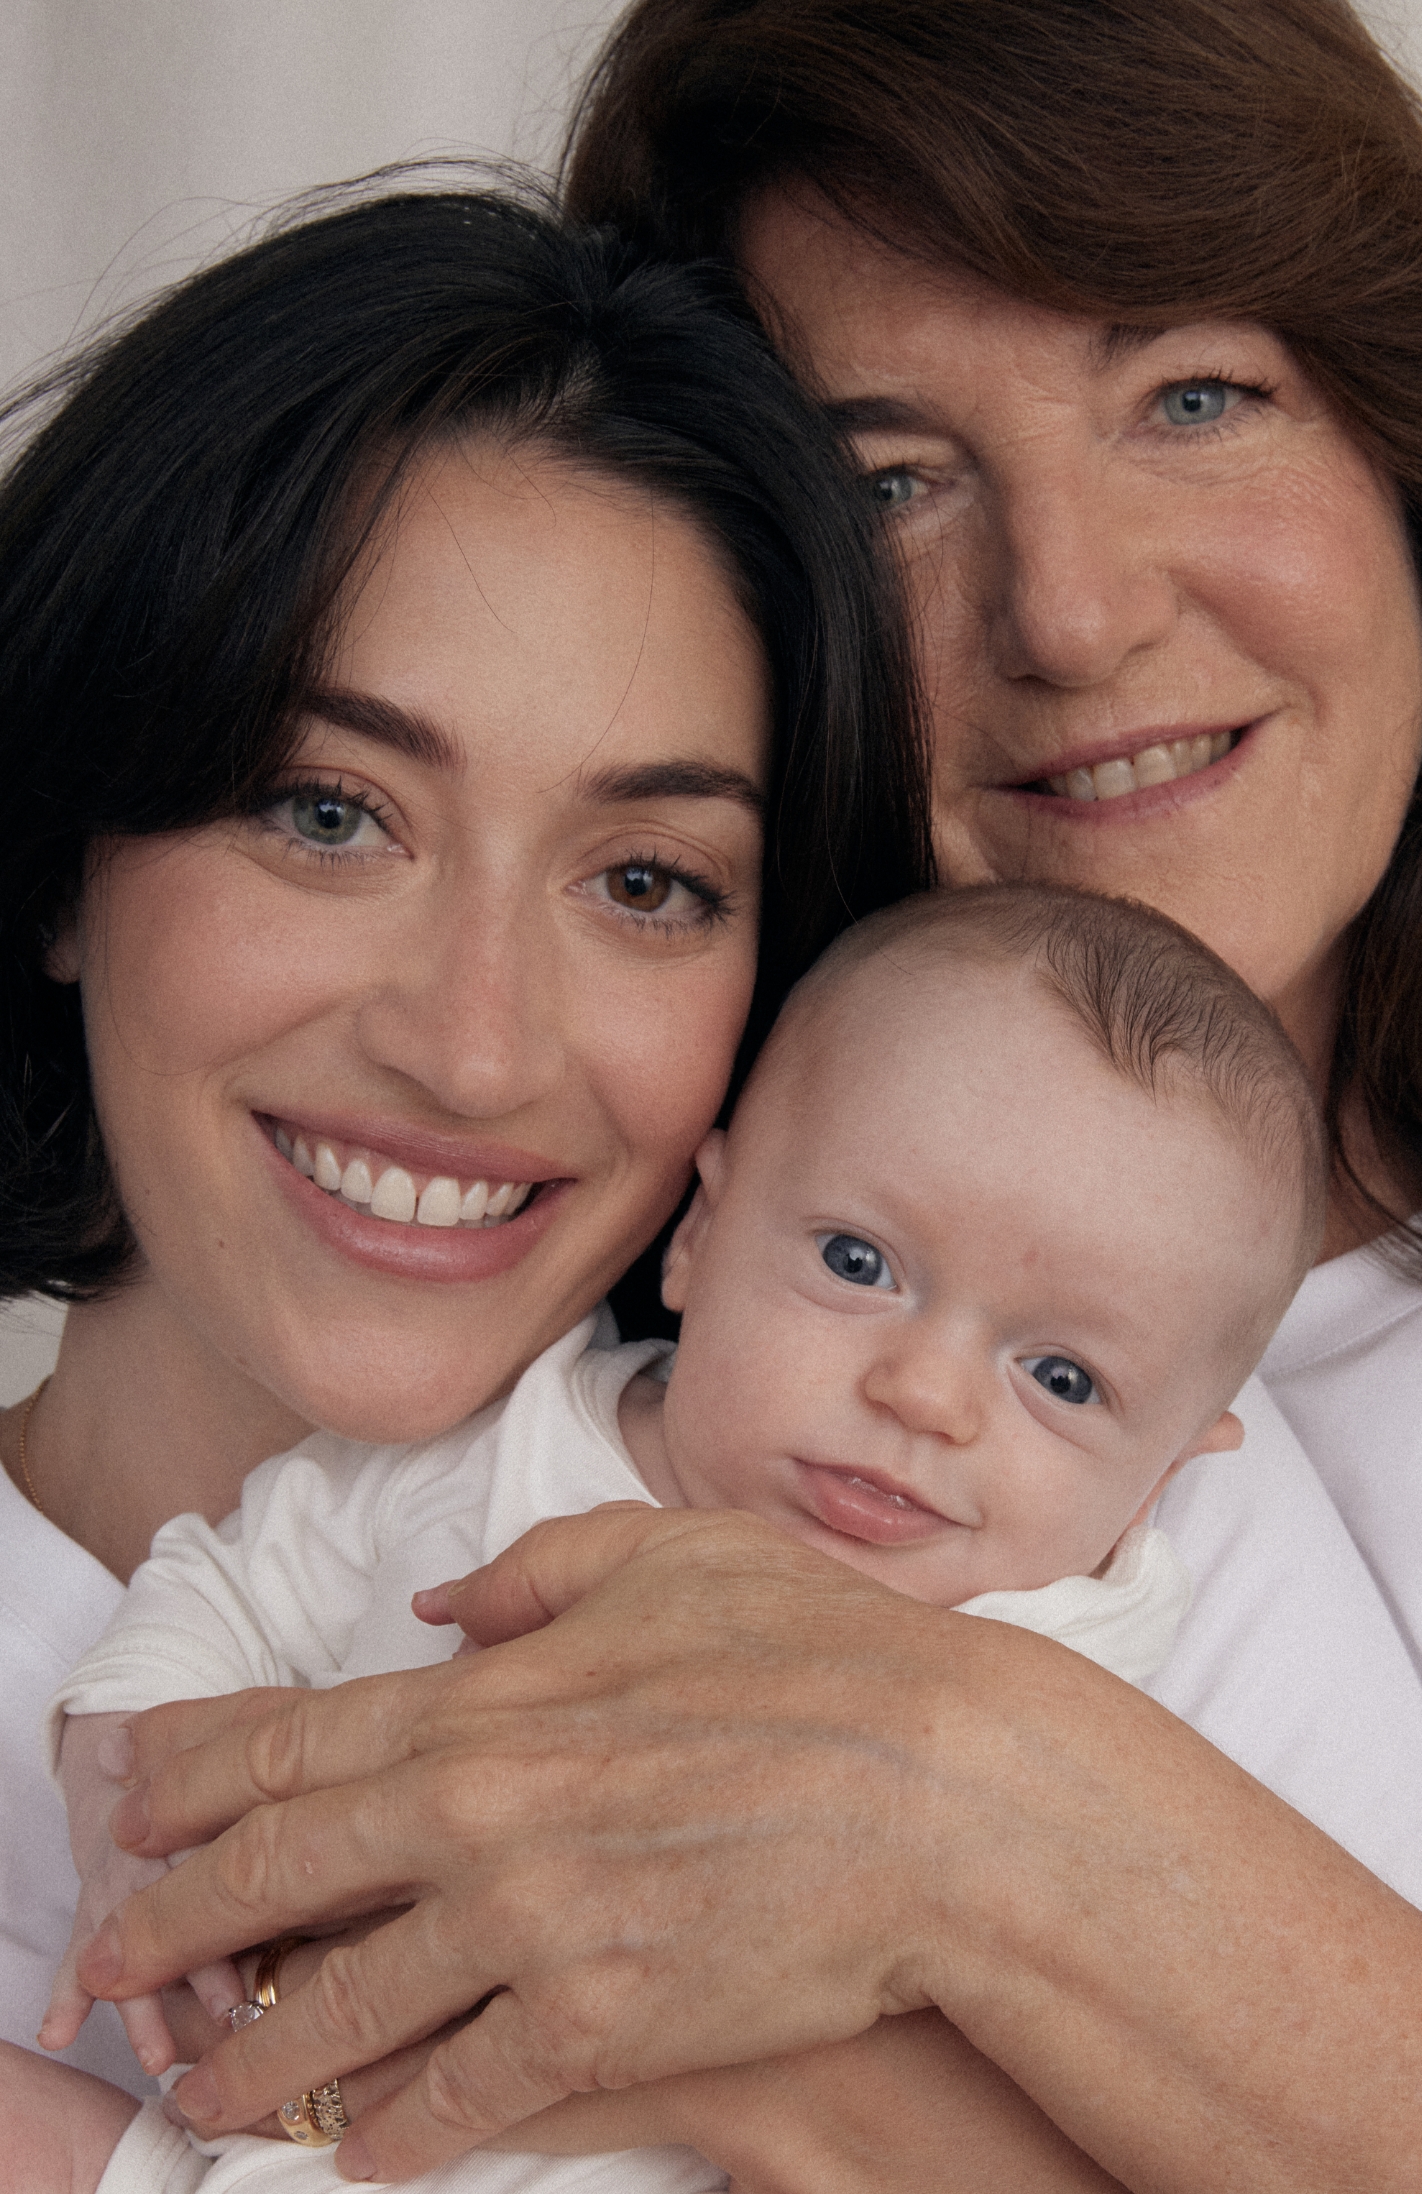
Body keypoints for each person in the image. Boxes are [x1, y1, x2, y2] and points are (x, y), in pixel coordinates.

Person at [65, 2, 1422, 2189]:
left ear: (1421, 460)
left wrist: (952, 1827)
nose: (1074, 609)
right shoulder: (570, 1170)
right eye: (893, 483)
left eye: (1199, 396)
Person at [0, 175, 930, 2187]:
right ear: (66, 852)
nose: (480, 1041)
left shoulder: (1027, 1549)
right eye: (330, 811)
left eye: (648, 881)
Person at [46, 880, 1323, 2190]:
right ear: (702, 1232)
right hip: (222, 2142)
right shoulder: (507, 1430)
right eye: (859, 1261)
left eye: (1061, 1378)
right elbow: (223, 1583)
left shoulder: (1054, 1659)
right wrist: (131, 1801)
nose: (923, 1395)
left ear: (1168, 1467)